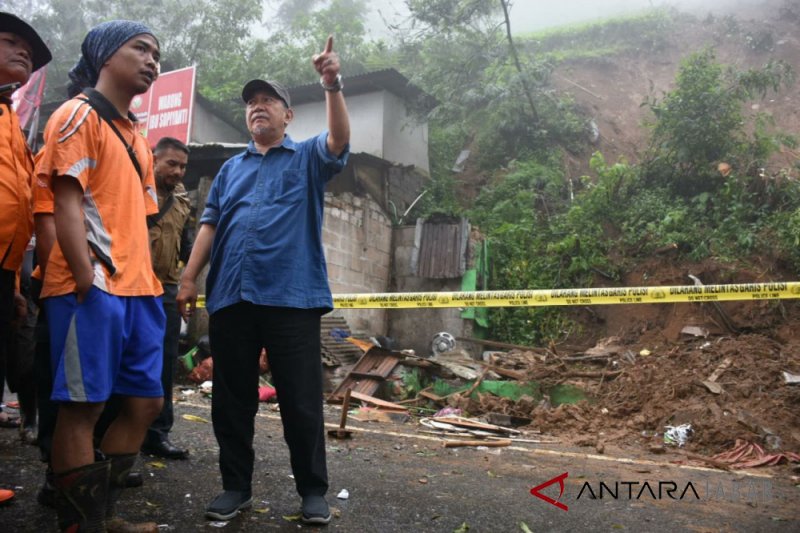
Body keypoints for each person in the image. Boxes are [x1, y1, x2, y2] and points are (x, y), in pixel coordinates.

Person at [177, 36, 350, 525]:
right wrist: (189, 279)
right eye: (252, 104)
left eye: (267, 102)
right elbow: (209, 225)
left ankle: (313, 491)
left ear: (288, 116)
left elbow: (339, 140)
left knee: (300, 401)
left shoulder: (309, 157)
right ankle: (235, 487)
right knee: (232, 401)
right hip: (231, 296)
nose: (257, 109)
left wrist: (332, 85)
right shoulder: (231, 170)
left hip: (291, 298)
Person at [36, 20, 164, 532]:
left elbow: (139, 215)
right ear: (106, 55)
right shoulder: (76, 114)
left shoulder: (138, 136)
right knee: (82, 408)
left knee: (146, 403)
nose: (153, 60)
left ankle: (101, 516)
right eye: (141, 48)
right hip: (92, 288)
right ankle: (79, 525)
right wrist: (85, 277)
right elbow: (65, 201)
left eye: (157, 53)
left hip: (141, 289)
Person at [0, 12, 51, 435]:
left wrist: (14, 286)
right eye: (12, 40)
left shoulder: (11, 124)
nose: (23, 53)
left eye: (30, 53)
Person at [141, 136, 192, 460]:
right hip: (132, 288)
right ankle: (112, 437)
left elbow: (186, 246)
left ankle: (158, 434)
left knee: (165, 364)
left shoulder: (183, 202)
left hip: (167, 290)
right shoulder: (135, 191)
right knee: (127, 363)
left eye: (182, 166)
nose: (177, 171)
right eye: (171, 164)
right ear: (154, 160)